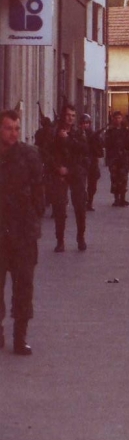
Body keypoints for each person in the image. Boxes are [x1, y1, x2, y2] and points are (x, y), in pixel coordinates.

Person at [0, 110, 46, 355]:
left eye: (17, 128)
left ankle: (20, 336)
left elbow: (40, 190)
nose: (14, 133)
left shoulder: (29, 155)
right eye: (8, 128)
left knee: (23, 285)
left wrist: (33, 216)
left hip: (24, 233)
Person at [46, 104, 90, 251]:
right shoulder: (54, 132)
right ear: (62, 116)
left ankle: (80, 237)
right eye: (67, 115)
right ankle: (60, 241)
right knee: (59, 208)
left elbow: (84, 149)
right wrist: (57, 168)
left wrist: (68, 139)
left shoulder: (78, 133)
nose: (70, 118)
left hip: (76, 173)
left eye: (73, 115)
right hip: (60, 174)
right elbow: (47, 153)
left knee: (80, 207)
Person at [104, 110, 129, 207]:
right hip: (113, 159)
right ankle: (116, 198)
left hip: (123, 159)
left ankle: (123, 198)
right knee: (114, 178)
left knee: (123, 178)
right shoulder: (110, 131)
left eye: (119, 118)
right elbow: (107, 145)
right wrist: (108, 159)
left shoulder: (125, 130)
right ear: (113, 119)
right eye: (116, 118)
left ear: (122, 119)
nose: (118, 120)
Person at [81, 114, 103, 211]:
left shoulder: (93, 135)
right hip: (81, 162)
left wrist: (96, 141)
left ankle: (90, 201)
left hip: (92, 162)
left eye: (87, 123)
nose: (85, 125)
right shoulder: (77, 134)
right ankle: (83, 201)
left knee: (92, 184)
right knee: (81, 184)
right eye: (83, 123)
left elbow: (100, 151)